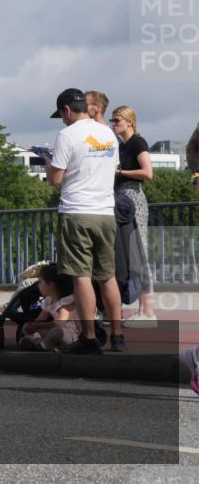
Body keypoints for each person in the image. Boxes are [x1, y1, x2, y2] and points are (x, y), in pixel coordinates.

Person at [43, 88, 124, 354]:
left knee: (82, 276)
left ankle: (88, 337)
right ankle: (118, 335)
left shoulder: (67, 135)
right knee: (107, 276)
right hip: (106, 213)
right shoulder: (108, 133)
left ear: (67, 110)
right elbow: (111, 169)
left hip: (77, 212)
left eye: (62, 115)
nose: (62, 120)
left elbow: (55, 179)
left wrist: (48, 162)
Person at [110, 105, 157, 326]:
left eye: (117, 120)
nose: (113, 124)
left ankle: (148, 311)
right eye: (112, 120)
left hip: (133, 199)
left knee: (140, 252)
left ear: (130, 121)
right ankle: (134, 309)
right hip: (121, 200)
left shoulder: (138, 142)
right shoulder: (121, 146)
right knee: (127, 253)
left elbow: (148, 173)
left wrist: (119, 172)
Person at [19, 263, 79, 351]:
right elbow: (40, 319)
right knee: (29, 327)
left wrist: (38, 325)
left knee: (56, 332)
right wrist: (32, 325)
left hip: (72, 335)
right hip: (56, 333)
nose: (38, 285)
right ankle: (39, 342)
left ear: (50, 284)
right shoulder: (48, 300)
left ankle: (42, 345)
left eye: (40, 282)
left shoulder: (66, 301)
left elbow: (60, 323)